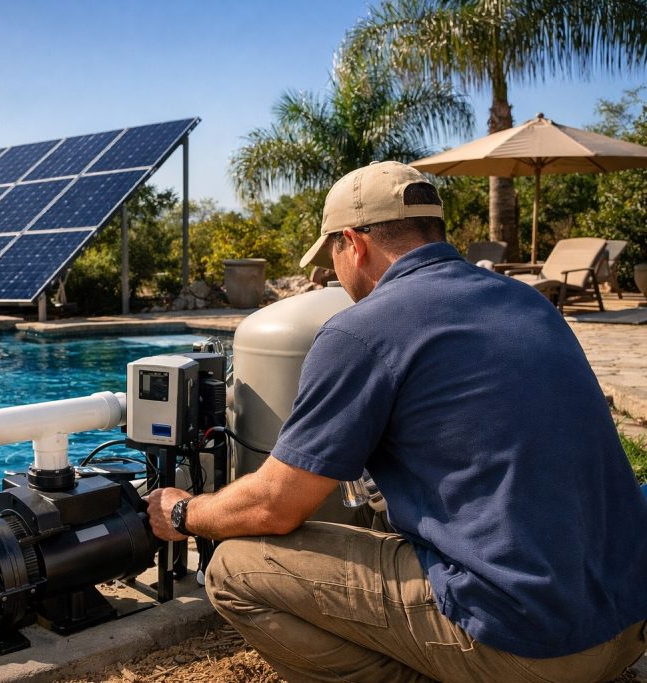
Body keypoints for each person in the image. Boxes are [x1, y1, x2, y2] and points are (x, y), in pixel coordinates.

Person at [145, 161, 647, 682]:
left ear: (353, 244)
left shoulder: (360, 332)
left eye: (331, 257)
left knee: (234, 568)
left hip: (531, 648)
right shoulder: (527, 301)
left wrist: (184, 513)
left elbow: (275, 505)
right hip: (626, 620)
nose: (331, 275)